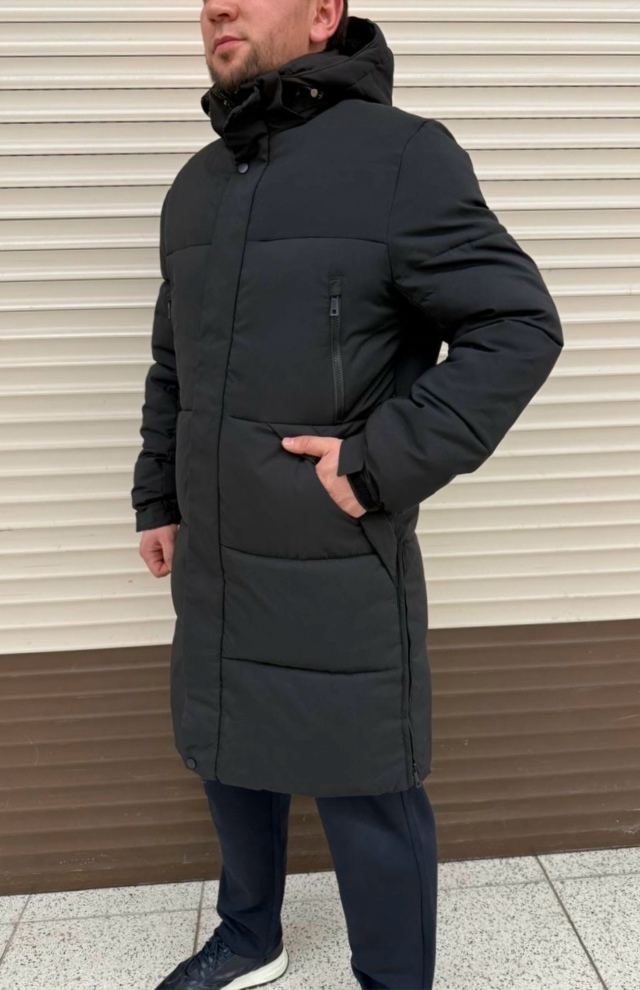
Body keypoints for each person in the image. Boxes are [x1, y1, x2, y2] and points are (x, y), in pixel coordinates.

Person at [131, 2, 564, 988]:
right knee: (227, 745)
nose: (216, 8)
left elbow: (516, 326)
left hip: (333, 550)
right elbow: (173, 363)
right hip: (216, 547)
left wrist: (376, 465)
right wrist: (159, 496)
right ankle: (251, 936)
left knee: (365, 780)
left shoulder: (401, 157)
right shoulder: (197, 185)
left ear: (324, 12)